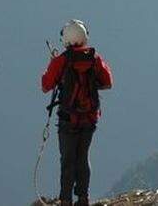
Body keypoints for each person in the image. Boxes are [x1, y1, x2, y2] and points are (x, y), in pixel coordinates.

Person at [41, 19, 113, 206]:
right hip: (89, 118)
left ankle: (65, 200)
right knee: (83, 158)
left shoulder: (61, 61)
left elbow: (45, 85)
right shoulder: (95, 59)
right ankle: (83, 198)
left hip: (68, 119)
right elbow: (107, 82)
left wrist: (53, 67)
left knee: (67, 160)